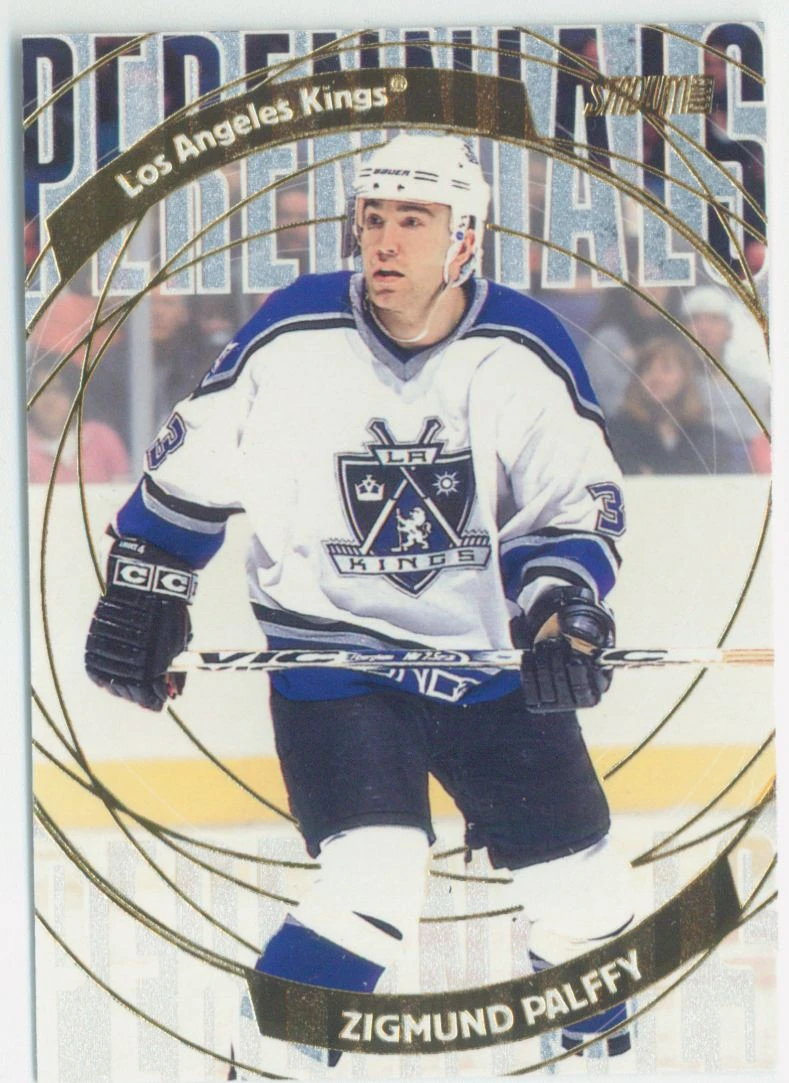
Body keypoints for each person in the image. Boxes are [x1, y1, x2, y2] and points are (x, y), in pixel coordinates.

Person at [83, 133, 636, 1068]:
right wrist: (148, 583)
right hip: (332, 659)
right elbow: (195, 463)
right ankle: (267, 1058)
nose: (383, 240)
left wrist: (560, 616)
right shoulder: (295, 329)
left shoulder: (522, 346)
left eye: (411, 221)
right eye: (372, 218)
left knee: (586, 900)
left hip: (483, 665)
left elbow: (567, 505)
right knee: (371, 879)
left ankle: (587, 1056)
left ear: (465, 237)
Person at [607, 333, 747, 475]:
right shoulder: (618, 432)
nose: (656, 378)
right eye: (647, 370)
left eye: (666, 369)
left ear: (685, 378)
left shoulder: (708, 438)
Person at [28, 363, 130, 484]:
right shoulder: (22, 448)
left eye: (58, 390)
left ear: (74, 396)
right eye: (40, 390)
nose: (50, 399)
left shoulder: (103, 438)